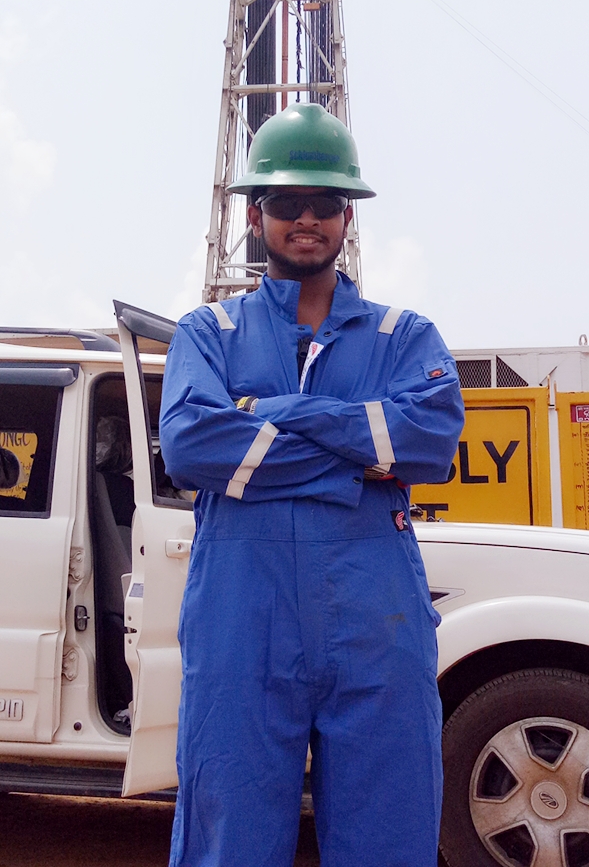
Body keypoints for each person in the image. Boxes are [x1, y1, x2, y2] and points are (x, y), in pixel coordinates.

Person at [159, 102, 465, 867]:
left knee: (389, 835)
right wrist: (358, 459)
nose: (306, 219)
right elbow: (191, 444)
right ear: (254, 215)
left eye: (325, 202)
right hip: (242, 616)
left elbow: (430, 442)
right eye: (287, 202)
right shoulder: (209, 334)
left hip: (376, 618)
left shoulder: (405, 336)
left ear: (346, 217)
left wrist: (277, 415)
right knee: (229, 836)